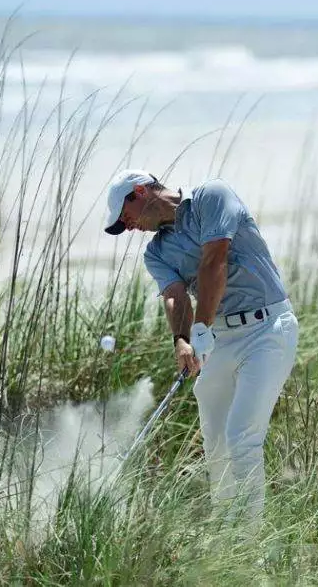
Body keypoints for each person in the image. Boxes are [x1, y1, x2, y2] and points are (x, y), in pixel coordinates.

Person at [103, 169, 299, 526]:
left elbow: (214, 263)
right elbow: (175, 297)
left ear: (139, 192)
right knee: (216, 442)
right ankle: (227, 533)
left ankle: (249, 545)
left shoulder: (212, 195)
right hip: (222, 337)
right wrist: (182, 340)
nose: (126, 226)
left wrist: (202, 327)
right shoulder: (156, 253)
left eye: (124, 217)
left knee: (241, 435)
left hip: (268, 330)